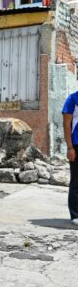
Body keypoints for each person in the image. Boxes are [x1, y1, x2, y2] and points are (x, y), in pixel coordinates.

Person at [63, 90, 78, 225]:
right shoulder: (72, 99)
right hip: (76, 145)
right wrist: (70, 147)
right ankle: (75, 215)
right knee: (76, 181)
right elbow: (67, 124)